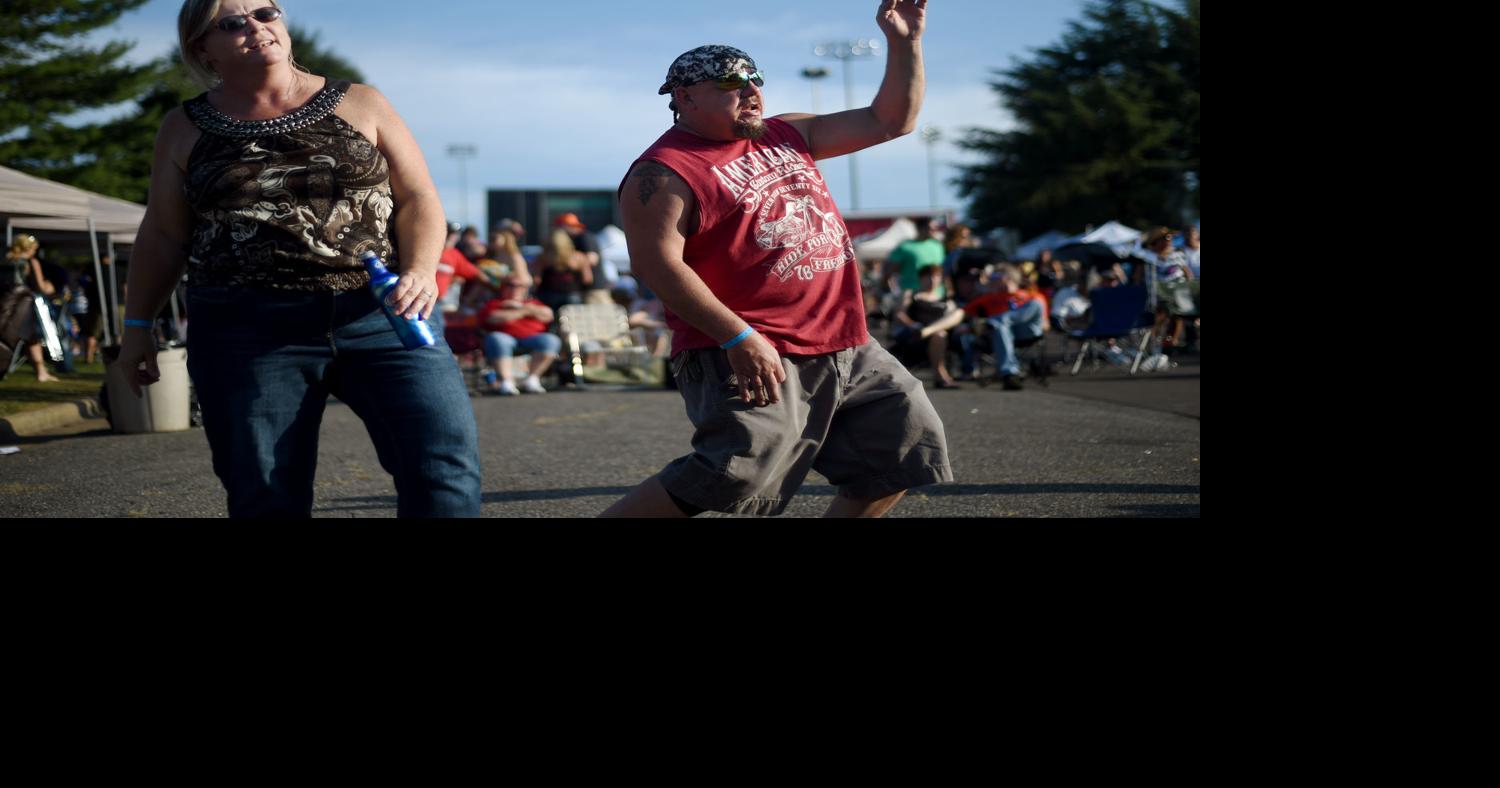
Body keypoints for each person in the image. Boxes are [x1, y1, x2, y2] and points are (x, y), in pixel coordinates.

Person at [115, 0, 481, 518]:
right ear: (203, 48)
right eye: (233, 23)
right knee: (265, 494)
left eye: (266, 12)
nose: (257, 28)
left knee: (443, 472)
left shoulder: (361, 102)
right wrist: (136, 328)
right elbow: (163, 234)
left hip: (383, 315)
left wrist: (421, 270)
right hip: (245, 329)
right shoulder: (183, 126)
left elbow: (419, 198)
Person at [602, 0, 950, 519]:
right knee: (733, 474)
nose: (751, 92)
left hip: (845, 340)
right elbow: (658, 266)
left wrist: (904, 41)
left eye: (754, 80)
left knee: (899, 449)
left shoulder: (788, 134)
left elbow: (889, 120)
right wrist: (739, 337)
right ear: (685, 97)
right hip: (750, 346)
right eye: (731, 84)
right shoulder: (663, 173)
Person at [963, 265, 1048, 391]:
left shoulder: (1032, 296)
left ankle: (996, 321)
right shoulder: (988, 298)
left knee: (1036, 304)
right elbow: (962, 313)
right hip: (998, 335)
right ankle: (1009, 373)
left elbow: (1045, 325)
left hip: (1026, 331)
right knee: (1001, 328)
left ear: (1009, 277)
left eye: (995, 276)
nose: (991, 280)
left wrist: (1009, 319)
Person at [478, 276, 559, 395]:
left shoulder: (532, 302)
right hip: (506, 338)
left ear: (525, 289)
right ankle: (506, 381)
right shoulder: (495, 303)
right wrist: (526, 312)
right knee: (497, 339)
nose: (515, 289)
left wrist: (520, 307)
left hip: (533, 338)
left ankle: (532, 379)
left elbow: (548, 314)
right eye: (510, 285)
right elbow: (494, 318)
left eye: (519, 286)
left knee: (551, 340)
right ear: (502, 287)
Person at [890, 262, 963, 389]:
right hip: (916, 335)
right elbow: (899, 314)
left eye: (935, 276)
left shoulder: (946, 301)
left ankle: (928, 331)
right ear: (920, 278)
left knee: (958, 312)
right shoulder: (912, 295)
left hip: (942, 335)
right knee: (939, 334)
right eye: (928, 276)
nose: (932, 280)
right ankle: (941, 376)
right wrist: (913, 325)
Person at [5, 234, 59, 382]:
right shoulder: (30, 262)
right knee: (32, 338)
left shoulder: (7, 260)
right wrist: (51, 287)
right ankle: (41, 371)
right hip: (24, 304)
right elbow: (41, 287)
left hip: (6, 304)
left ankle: (40, 370)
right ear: (28, 248)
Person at [532, 227, 590, 314]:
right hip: (572, 295)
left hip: (548, 295)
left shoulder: (543, 258)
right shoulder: (578, 257)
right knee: (571, 320)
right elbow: (587, 280)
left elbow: (536, 280)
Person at [887, 216, 946, 296]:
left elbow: (941, 270)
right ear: (920, 228)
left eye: (935, 228)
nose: (933, 231)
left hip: (935, 294)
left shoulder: (938, 247)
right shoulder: (905, 247)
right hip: (911, 293)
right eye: (930, 228)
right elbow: (888, 271)